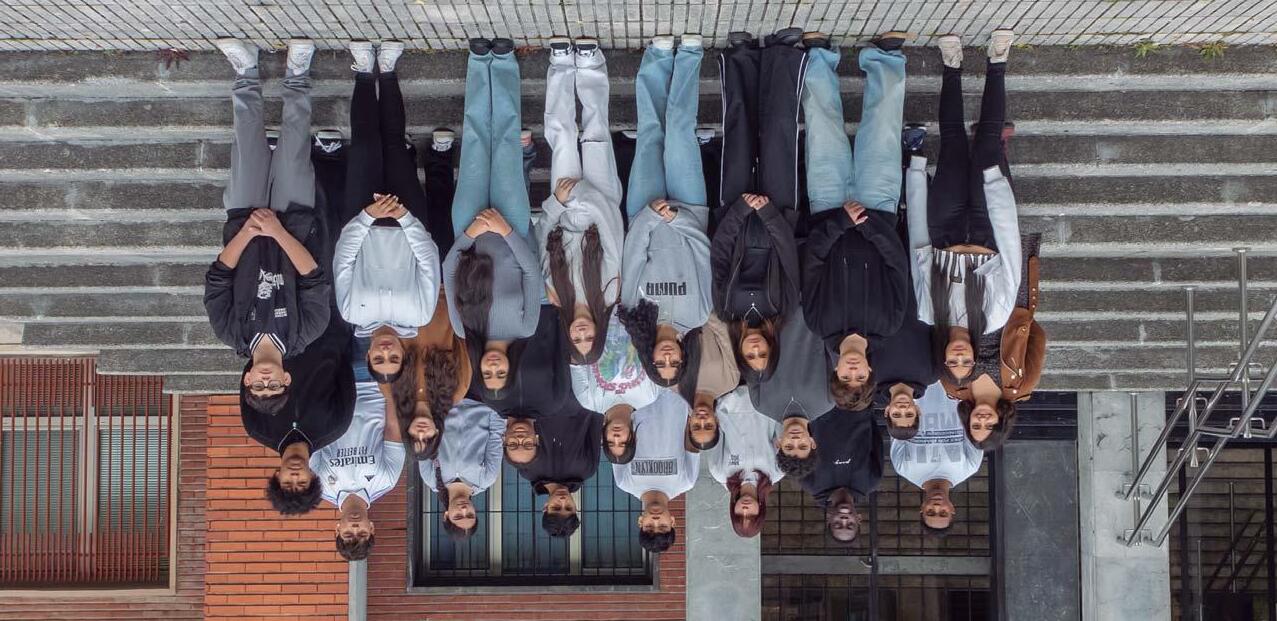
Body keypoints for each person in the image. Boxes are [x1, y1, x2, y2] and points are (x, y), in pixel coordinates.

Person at [204, 38, 331, 416]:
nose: (265, 380)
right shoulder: (307, 331)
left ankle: (246, 71)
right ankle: (297, 73)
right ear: (286, 379)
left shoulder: (229, 331)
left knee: (246, 142)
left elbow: (218, 277)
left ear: (246, 380)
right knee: (294, 148)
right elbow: (313, 277)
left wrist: (248, 231)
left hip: (244, 222)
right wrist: (277, 231)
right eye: (273, 385)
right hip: (293, 223)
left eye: (258, 386)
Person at [799, 33, 912, 413]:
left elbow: (812, 261)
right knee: (883, 128)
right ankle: (886, 58)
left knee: (822, 126)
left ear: (835, 371)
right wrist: (865, 223)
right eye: (859, 377)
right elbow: (897, 263)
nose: (852, 372)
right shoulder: (889, 322)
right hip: (877, 208)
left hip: (828, 207)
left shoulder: (818, 322)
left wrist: (842, 222)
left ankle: (818, 56)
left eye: (845, 377)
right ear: (869, 371)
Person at [906, 31, 1022, 392]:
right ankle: (997, 61)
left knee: (953, 142)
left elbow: (918, 253)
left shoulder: (928, 312)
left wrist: (915, 180)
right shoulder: (994, 317)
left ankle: (951, 65)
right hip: (988, 229)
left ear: (942, 355)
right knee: (988, 142)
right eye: (966, 362)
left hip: (945, 228)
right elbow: (1011, 260)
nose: (959, 357)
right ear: (975, 356)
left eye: (952, 362)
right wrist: (1003, 205)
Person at [333, 40, 442, 368]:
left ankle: (365, 73)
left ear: (368, 355)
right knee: (394, 145)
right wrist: (404, 217)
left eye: (379, 359)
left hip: (362, 220)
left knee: (365, 145)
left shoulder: (351, 312)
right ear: (402, 353)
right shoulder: (420, 314)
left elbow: (343, 261)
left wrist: (367, 216)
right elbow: (429, 261)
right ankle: (389, 72)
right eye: (393, 358)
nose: (385, 351)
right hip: (406, 220)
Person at [618, 34, 712, 390]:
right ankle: (689, 56)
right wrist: (678, 219)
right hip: (689, 209)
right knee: (680, 132)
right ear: (685, 356)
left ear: (650, 356)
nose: (668, 357)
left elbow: (633, 253)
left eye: (661, 363)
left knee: (650, 134)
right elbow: (702, 252)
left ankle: (657, 59)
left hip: (645, 209)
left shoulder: (633, 309)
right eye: (675, 363)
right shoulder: (699, 313)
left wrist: (652, 216)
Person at [709, 29, 805, 336]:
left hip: (735, 211)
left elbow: (719, 254)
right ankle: (782, 53)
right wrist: (768, 213)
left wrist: (739, 210)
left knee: (738, 133)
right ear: (770, 348)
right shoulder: (784, 309)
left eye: (750, 356)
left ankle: (742, 54)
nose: (755, 351)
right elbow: (788, 255)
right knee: (779, 132)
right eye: (762, 355)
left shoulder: (725, 309)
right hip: (778, 212)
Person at [536, 36, 624, 365]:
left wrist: (559, 202)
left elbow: (542, 237)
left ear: (569, 335)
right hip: (601, 203)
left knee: (562, 138)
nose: (582, 333)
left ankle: (560, 66)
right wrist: (584, 196)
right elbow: (613, 232)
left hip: (563, 207)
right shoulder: (609, 292)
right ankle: (590, 66)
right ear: (599, 333)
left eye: (577, 339)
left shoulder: (556, 295)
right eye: (590, 339)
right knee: (596, 134)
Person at [941, 233, 1043, 451]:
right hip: (1012, 305)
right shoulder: (1022, 386)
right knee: (1012, 243)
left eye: (976, 425)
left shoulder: (953, 386)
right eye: (989, 425)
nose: (982, 419)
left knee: (969, 243)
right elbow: (1037, 338)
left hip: (966, 307)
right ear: (1001, 423)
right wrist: (1019, 321)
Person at [310, 373, 405, 559]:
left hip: (332, 384)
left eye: (348, 534)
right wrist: (389, 382)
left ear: (337, 529)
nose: (355, 527)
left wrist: (318, 383)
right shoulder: (387, 481)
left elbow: (312, 435)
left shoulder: (318, 487)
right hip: (371, 381)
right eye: (361, 533)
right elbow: (393, 428)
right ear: (371, 528)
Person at [890, 380, 985, 536]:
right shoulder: (970, 466)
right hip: (955, 379)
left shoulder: (903, 467)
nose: (936, 506)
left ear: (922, 508)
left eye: (930, 512)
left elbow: (896, 421)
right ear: (952, 509)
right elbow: (974, 416)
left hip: (915, 381)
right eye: (943, 513)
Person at [612, 391, 699, 554]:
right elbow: (692, 431)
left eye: (649, 526)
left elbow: (616, 436)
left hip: (637, 392)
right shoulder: (686, 481)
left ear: (640, 522)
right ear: (672, 521)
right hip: (675, 392)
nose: (656, 520)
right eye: (663, 526)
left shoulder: (624, 481)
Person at [390, 290, 472, 462]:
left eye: (414, 437)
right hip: (442, 294)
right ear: (437, 432)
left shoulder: (391, 391)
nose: (421, 433)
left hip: (402, 296)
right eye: (427, 438)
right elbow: (463, 338)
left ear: (406, 431)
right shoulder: (457, 391)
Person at [572, 312, 662, 463]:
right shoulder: (649, 395)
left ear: (603, 437)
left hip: (595, 311)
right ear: (633, 437)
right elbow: (657, 345)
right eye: (623, 442)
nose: (616, 437)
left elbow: (575, 356)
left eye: (611, 442)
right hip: (636, 309)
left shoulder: (588, 401)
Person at [508, 404, 603, 538]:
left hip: (539, 399)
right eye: (569, 507)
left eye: (556, 507)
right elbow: (596, 419)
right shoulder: (587, 470)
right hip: (579, 398)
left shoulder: (528, 471)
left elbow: (517, 427)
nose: (563, 500)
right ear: (576, 507)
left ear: (545, 507)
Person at [798, 404, 884, 544]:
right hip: (856, 403)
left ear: (828, 519)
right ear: (859, 519)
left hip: (818, 404)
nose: (844, 520)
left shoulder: (810, 482)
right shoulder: (871, 480)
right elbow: (876, 436)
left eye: (838, 524)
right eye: (850, 525)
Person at [420, 398, 504, 540]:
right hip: (481, 400)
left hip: (442, 399)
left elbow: (423, 436)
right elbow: (496, 434)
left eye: (458, 516)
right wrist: (494, 401)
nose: (464, 509)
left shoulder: (431, 479)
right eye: (470, 515)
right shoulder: (486, 478)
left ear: (446, 515)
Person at [709, 386, 784, 538]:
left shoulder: (719, 472)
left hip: (730, 393)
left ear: (732, 509)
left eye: (739, 515)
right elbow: (780, 430)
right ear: (760, 510)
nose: (745, 510)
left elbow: (716, 430)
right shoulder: (776, 472)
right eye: (750, 515)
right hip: (765, 397)